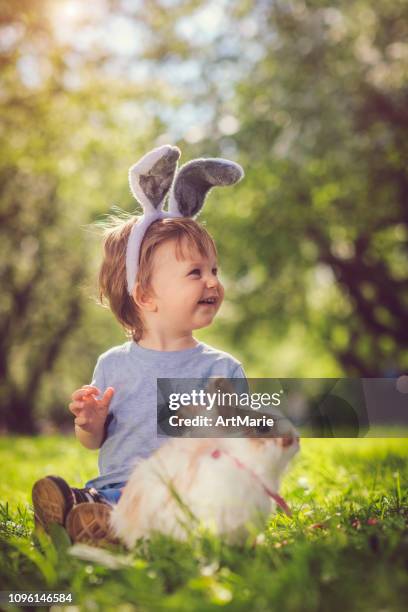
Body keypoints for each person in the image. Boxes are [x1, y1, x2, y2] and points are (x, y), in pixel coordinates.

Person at [31, 144, 247, 545]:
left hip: (181, 492)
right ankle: (84, 512)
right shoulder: (112, 364)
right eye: (195, 273)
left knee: (162, 505)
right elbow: (93, 442)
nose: (213, 282)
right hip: (116, 487)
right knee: (104, 497)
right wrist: (90, 424)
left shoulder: (222, 369)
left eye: (214, 270)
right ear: (146, 296)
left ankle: (101, 524)